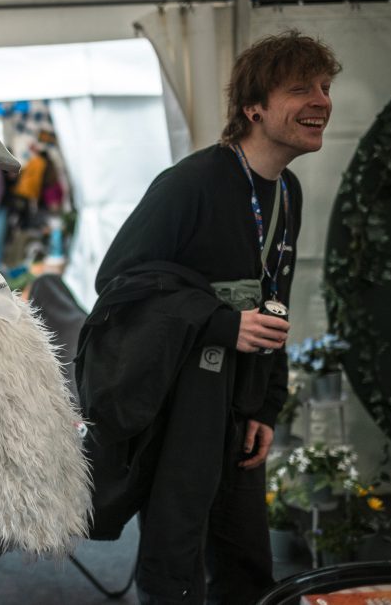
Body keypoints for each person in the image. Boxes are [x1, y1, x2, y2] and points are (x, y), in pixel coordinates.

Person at [76, 31, 341, 603]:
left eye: (325, 87)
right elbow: (118, 283)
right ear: (253, 107)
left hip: (239, 404)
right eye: (301, 88)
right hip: (181, 406)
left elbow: (273, 302)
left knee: (245, 558)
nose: (322, 100)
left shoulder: (287, 191)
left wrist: (265, 406)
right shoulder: (189, 183)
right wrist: (220, 321)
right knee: (175, 559)